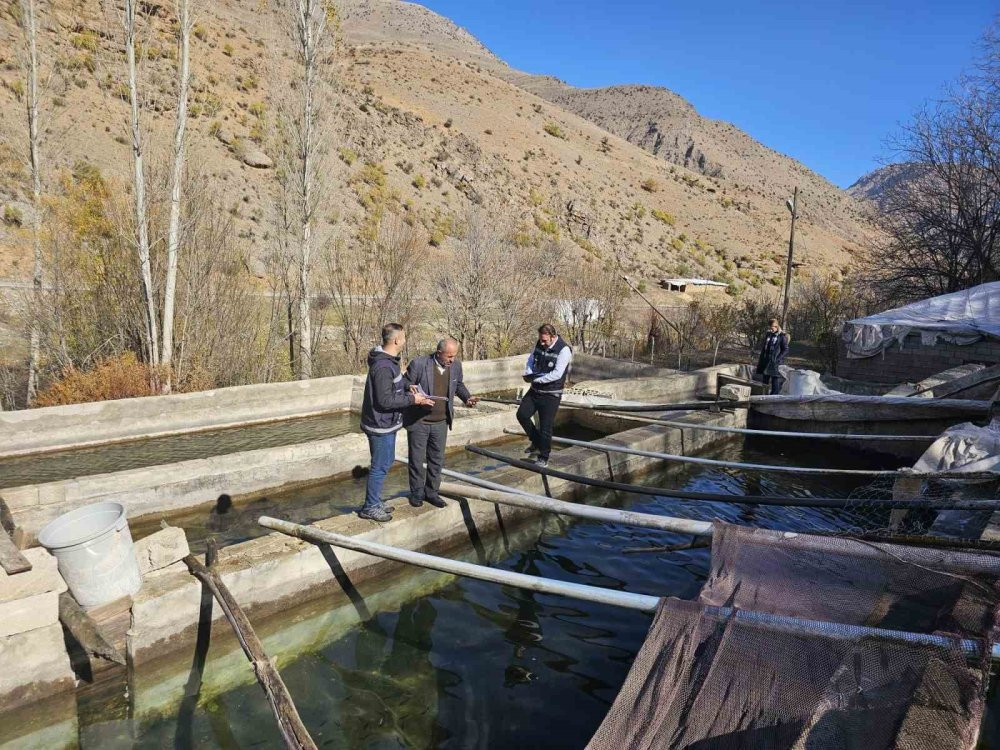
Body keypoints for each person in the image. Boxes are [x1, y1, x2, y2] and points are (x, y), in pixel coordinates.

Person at [359, 323, 433, 522]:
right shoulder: (383, 366)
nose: (405, 340)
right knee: (380, 466)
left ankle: (375, 500)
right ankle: (369, 506)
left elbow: (396, 385)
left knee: (386, 462)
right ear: (396, 340)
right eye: (404, 337)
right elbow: (385, 401)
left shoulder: (390, 361)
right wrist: (413, 400)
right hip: (380, 424)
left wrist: (410, 388)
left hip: (387, 423)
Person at [403, 337, 479, 508]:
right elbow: (405, 382)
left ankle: (432, 492)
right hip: (419, 421)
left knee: (436, 460)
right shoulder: (419, 364)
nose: (452, 360)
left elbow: (458, 385)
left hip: (441, 422)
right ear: (439, 353)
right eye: (449, 356)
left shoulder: (456, 366)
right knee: (416, 459)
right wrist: (411, 389)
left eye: (454, 356)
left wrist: (467, 398)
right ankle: (416, 493)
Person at [517, 323, 573, 467]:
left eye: (544, 341)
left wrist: (538, 380)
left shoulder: (564, 350)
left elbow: (557, 374)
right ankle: (536, 441)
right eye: (540, 340)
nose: (542, 343)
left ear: (553, 337)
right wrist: (528, 372)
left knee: (546, 427)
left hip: (551, 394)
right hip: (535, 391)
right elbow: (531, 359)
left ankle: (544, 457)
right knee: (522, 414)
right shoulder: (539, 344)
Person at [756, 318, 789, 395]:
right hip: (766, 359)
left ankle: (774, 396)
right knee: (765, 378)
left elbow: (785, 349)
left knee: (774, 379)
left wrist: (778, 359)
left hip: (774, 361)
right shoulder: (769, 334)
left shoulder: (782, 336)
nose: (771, 329)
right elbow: (765, 346)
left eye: (772, 328)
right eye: (770, 328)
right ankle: (763, 395)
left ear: (776, 326)